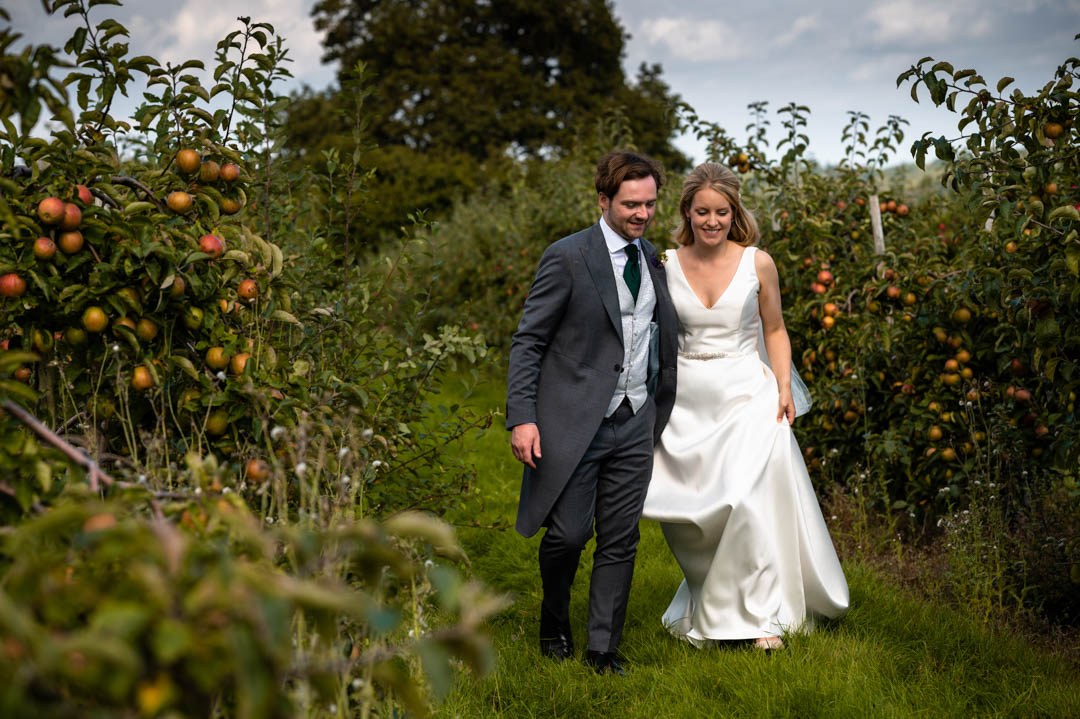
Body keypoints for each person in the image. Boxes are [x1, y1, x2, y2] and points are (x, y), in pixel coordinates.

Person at [642, 162, 848, 651]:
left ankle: (761, 620)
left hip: (747, 393)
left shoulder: (758, 262)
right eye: (701, 212)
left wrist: (782, 385)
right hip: (686, 401)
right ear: (686, 213)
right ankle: (709, 600)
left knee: (749, 502)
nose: (711, 221)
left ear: (734, 212)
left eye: (721, 211)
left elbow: (773, 329)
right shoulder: (665, 264)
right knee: (690, 517)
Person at [506, 150, 679, 675]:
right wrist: (522, 416)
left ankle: (603, 648)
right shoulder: (568, 256)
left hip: (635, 417)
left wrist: (656, 403)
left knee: (621, 538)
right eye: (631, 204)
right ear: (603, 199)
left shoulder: (654, 259)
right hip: (574, 419)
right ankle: (553, 617)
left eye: (649, 204)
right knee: (569, 535)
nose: (642, 214)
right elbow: (529, 340)